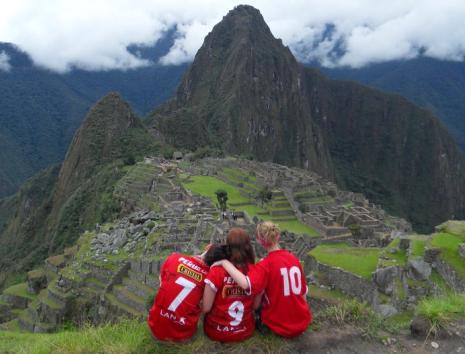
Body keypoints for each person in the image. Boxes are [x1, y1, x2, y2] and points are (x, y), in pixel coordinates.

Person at [213, 221, 312, 338]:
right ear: (278, 237)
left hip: (279, 326)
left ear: (260, 241)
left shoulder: (265, 265)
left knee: (258, 302)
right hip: (302, 322)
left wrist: (224, 263)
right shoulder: (294, 260)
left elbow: (245, 284)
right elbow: (303, 294)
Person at [147, 246, 222, 341]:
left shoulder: (174, 257)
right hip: (183, 334)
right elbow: (206, 308)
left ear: (207, 248)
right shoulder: (211, 278)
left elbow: (161, 281)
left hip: (155, 325)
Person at [202, 228, 259, 342]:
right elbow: (255, 306)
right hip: (245, 330)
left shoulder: (216, 271)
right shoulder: (255, 271)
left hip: (216, 331)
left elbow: (206, 308)